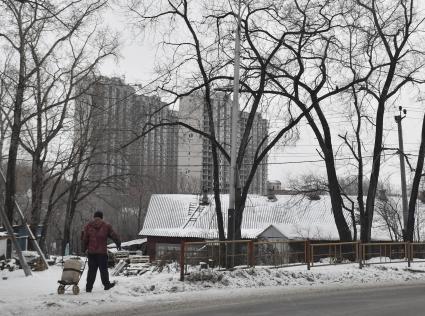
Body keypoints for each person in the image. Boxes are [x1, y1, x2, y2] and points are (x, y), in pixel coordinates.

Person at [81, 210, 121, 292]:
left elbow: (85, 239)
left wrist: (84, 249)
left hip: (91, 253)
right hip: (102, 253)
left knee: (91, 271)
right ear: (102, 217)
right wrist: (118, 243)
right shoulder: (106, 226)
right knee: (103, 270)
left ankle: (89, 288)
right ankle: (106, 285)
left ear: (94, 217)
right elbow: (113, 235)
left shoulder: (88, 226)